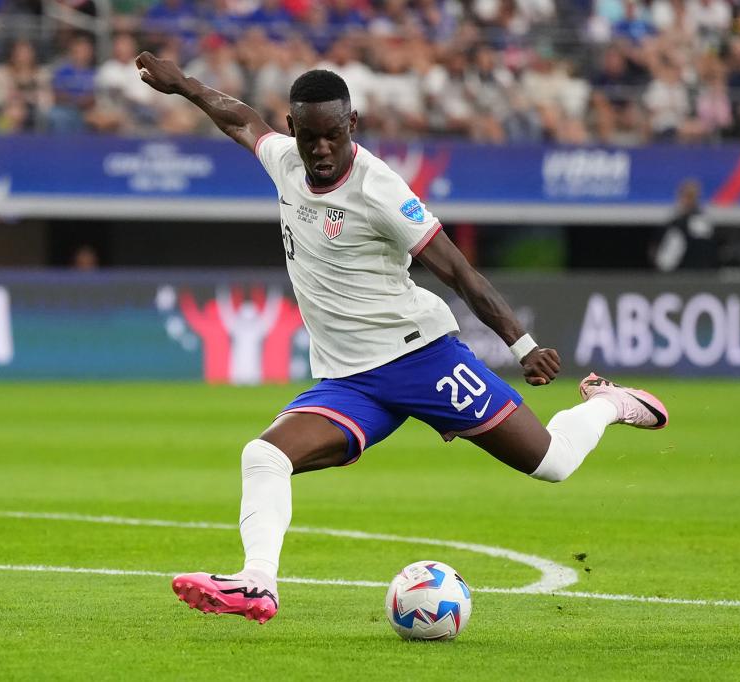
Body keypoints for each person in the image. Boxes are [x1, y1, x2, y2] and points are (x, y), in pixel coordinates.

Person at [135, 53, 670, 624]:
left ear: (352, 125)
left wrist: (522, 346)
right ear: (293, 129)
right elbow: (240, 118)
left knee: (553, 462)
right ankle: (257, 583)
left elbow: (459, 273)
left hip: (422, 357)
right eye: (309, 137)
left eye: (333, 136)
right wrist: (185, 86)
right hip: (349, 381)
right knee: (263, 455)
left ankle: (608, 404)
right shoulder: (285, 161)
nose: (320, 150)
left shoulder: (380, 190)